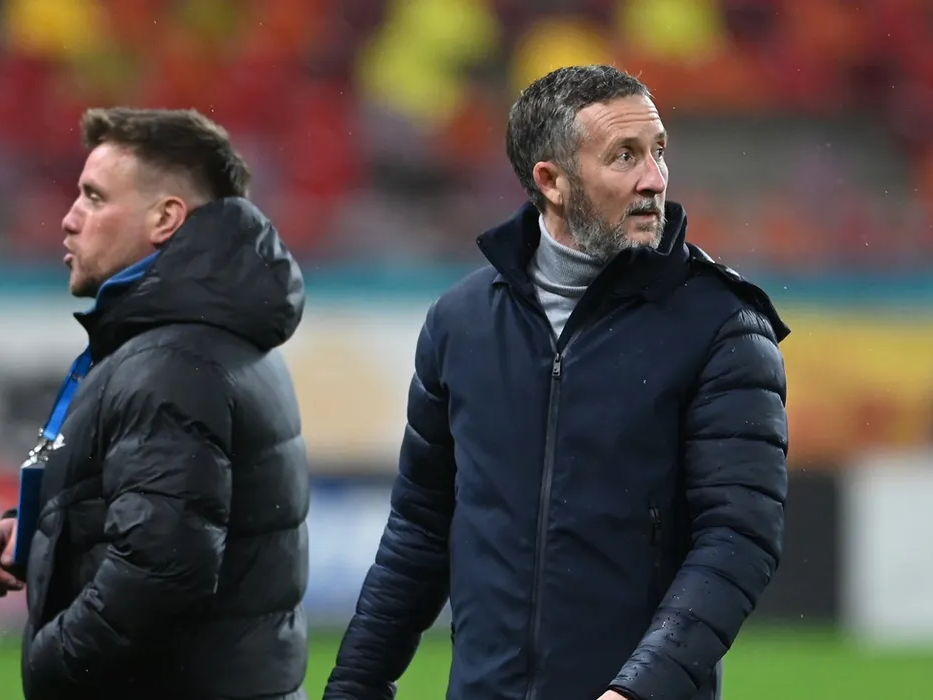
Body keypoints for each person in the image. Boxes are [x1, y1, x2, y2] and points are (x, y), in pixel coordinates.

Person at [324, 65, 790, 700]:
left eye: (658, 151)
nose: (655, 179)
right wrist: (354, 686)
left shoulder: (723, 326)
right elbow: (420, 529)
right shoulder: (460, 323)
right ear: (551, 181)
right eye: (624, 156)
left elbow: (738, 539)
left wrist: (636, 691)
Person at [0, 107, 310, 700]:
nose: (69, 219)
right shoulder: (208, 337)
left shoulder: (172, 360)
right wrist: (42, 534)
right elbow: (166, 512)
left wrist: (50, 666)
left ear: (165, 218)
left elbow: (162, 571)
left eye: (94, 197)